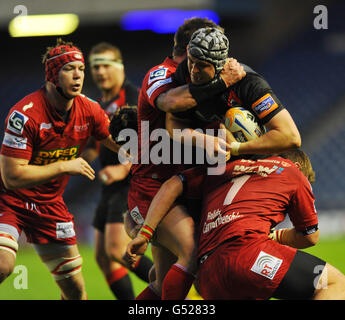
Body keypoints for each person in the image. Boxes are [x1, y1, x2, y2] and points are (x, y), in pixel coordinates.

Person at [125, 17, 246, 300]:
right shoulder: (161, 74)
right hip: (153, 187)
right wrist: (224, 81)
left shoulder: (205, 78)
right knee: (192, 253)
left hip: (185, 186)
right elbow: (170, 102)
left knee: (162, 280)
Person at [125, 148, 345, 300]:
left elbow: (174, 184)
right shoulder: (290, 170)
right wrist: (275, 236)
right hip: (250, 255)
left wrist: (145, 231)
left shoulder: (226, 168)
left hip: (208, 275)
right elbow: (310, 236)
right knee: (334, 284)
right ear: (297, 165)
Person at [0, 38, 123, 300]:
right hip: (10, 201)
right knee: (3, 265)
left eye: (80, 68)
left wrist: (148, 153)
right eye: (69, 69)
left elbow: (118, 144)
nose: (78, 75)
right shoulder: (25, 115)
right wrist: (65, 165)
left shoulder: (89, 109)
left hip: (50, 205)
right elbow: (11, 177)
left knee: (76, 292)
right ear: (53, 75)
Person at [81, 42, 153, 300]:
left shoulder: (133, 98)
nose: (100, 71)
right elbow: (92, 147)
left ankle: (181, 293)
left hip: (131, 183)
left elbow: (150, 142)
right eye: (95, 66)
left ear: (119, 67)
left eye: (105, 65)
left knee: (118, 250)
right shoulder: (100, 103)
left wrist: (124, 170)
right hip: (109, 186)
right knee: (103, 257)